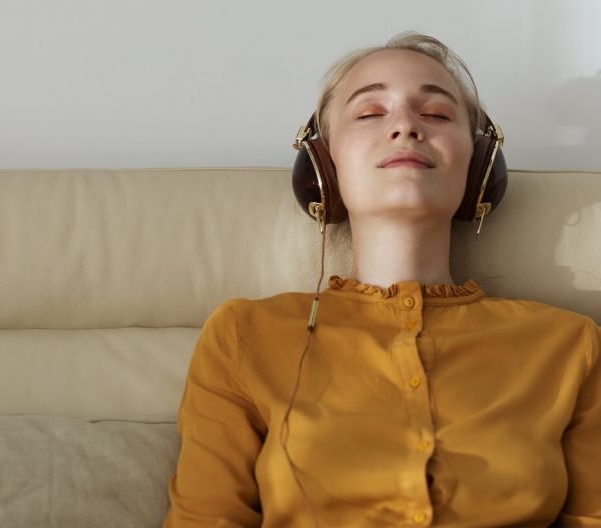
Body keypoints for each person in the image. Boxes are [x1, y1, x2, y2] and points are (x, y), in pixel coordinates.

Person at [163, 33, 601, 527]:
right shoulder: (244, 335)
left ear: (480, 167)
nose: (406, 127)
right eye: (370, 113)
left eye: (435, 114)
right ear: (323, 167)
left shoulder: (571, 346)